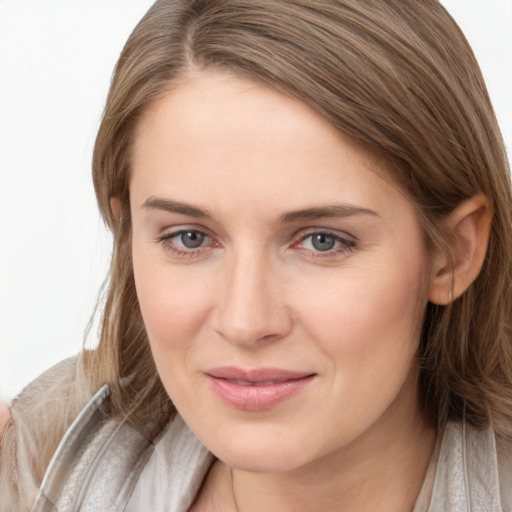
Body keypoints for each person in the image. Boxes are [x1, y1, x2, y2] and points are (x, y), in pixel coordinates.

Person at [1, 0, 512, 510]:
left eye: (322, 241)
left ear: (453, 253)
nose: (245, 322)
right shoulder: (29, 470)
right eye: (189, 238)